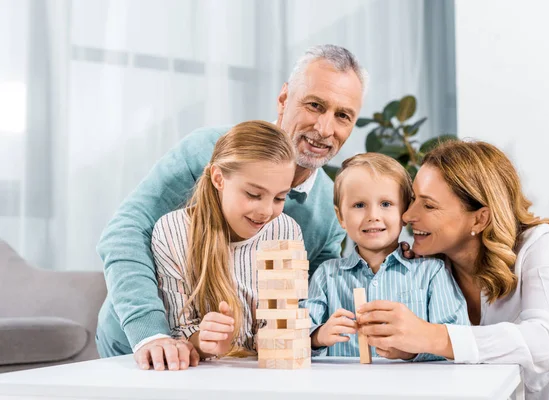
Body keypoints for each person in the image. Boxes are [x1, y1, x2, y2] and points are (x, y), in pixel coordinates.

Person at [95, 45, 368, 370]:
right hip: (138, 348)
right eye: (314, 105)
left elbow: (307, 306)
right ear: (283, 100)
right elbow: (124, 232)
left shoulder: (328, 210)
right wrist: (150, 334)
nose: (325, 129)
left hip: (233, 366)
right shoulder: (206, 152)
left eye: (342, 116)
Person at [358, 140, 549, 399]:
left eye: (428, 205)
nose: (407, 216)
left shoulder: (542, 245)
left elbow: (546, 344)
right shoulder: (431, 267)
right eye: (414, 199)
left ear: (479, 218)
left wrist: (434, 337)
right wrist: (412, 349)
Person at [150, 121, 301, 369]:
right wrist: (207, 342)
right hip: (204, 376)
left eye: (279, 197)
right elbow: (180, 329)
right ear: (219, 178)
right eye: (253, 194)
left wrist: (277, 336)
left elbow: (287, 314)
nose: (266, 211)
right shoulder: (172, 231)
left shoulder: (287, 230)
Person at [301, 153, 468, 359]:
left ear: (405, 213)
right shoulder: (326, 275)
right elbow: (296, 334)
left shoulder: (431, 272)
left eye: (386, 204)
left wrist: (412, 352)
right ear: (340, 217)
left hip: (411, 388)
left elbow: (458, 337)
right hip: (343, 388)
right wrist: (317, 336)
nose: (373, 215)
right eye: (359, 205)